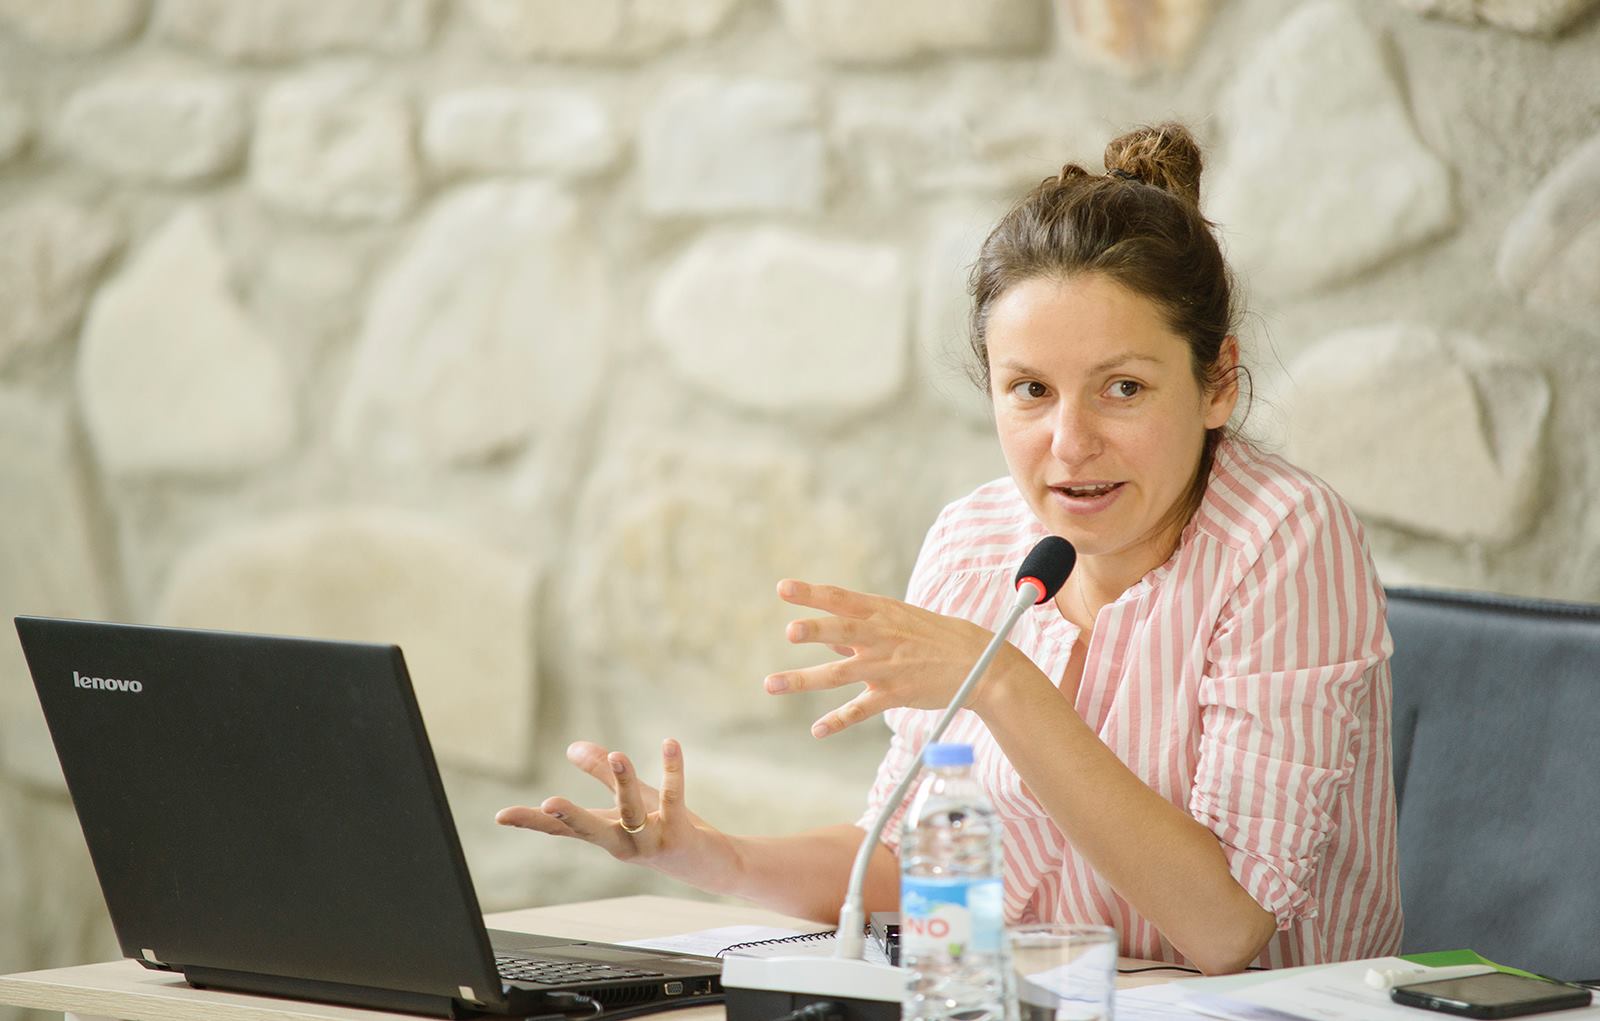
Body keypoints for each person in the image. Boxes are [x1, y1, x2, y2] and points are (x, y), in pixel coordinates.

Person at [497, 122, 1401, 974]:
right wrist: (708, 853)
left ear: (1218, 384)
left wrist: (1002, 680)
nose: (1070, 443)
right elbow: (908, 864)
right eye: (1031, 390)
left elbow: (1226, 929)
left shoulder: (1283, 538)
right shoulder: (975, 542)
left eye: (1122, 387)